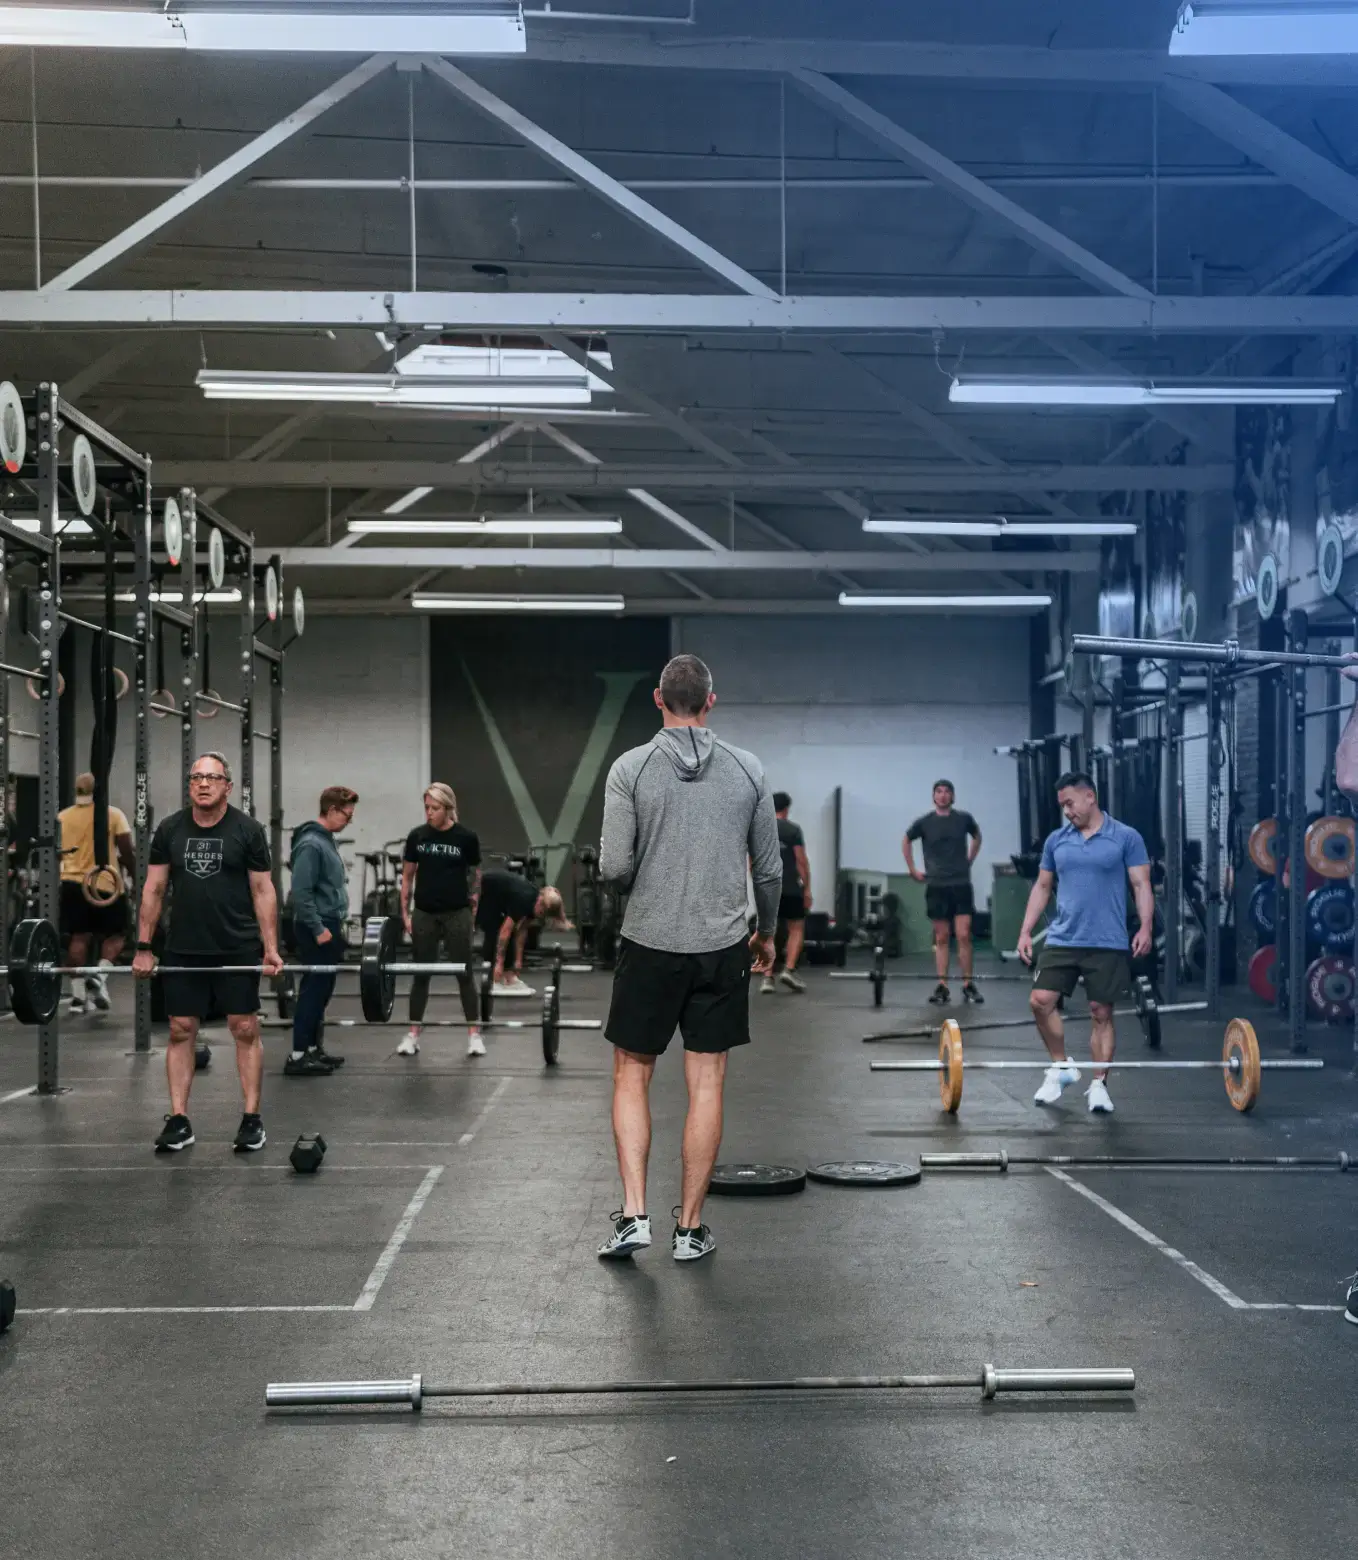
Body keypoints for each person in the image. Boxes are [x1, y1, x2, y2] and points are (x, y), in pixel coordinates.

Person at [596, 653, 781, 1265]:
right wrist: (768, 933)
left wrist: (641, 886)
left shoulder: (630, 767)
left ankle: (632, 1217)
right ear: (711, 700)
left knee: (632, 1075)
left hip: (648, 943)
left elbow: (615, 868)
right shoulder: (748, 769)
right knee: (706, 1084)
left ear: (657, 699)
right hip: (723, 946)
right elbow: (771, 871)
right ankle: (691, 1229)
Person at [134, 751, 283, 1154]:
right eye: (196, 777)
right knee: (181, 1028)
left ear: (227, 786)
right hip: (184, 946)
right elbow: (153, 889)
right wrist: (144, 947)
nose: (203, 784)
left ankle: (252, 1118)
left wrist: (270, 948)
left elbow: (262, 890)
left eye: (212, 778)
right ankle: (179, 1120)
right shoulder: (169, 830)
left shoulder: (248, 830)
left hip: (236, 944)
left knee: (244, 1028)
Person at [1016, 771, 1153, 1116]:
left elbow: (1140, 885)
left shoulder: (1126, 837)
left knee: (1101, 1012)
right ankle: (1061, 1068)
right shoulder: (1056, 841)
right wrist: (1025, 931)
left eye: (1070, 803)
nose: (1066, 811)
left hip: (1107, 939)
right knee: (1040, 1001)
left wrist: (1146, 927)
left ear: (1090, 797)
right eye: (1062, 805)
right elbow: (1043, 887)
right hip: (1064, 937)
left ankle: (1099, 1085)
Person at [398, 782, 484, 1058]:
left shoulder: (466, 838)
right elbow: (408, 877)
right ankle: (413, 1035)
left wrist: (473, 912)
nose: (429, 813)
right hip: (424, 913)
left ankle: (474, 1035)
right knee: (421, 975)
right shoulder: (417, 836)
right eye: (426, 808)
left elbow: (476, 877)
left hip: (456, 913)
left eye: (434, 808)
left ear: (448, 808)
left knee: (464, 974)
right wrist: (405, 913)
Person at [286, 785, 358, 1077]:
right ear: (331, 810)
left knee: (323, 990)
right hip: (316, 926)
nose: (349, 821)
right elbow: (301, 893)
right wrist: (317, 929)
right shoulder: (311, 844)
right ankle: (298, 1055)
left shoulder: (326, 841)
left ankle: (314, 1049)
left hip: (329, 923)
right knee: (313, 991)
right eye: (347, 816)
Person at [58, 771, 136, 1014]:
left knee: (79, 937)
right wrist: (136, 876)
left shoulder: (62, 817)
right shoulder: (112, 815)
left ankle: (79, 997)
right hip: (105, 884)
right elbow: (126, 850)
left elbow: (58, 852)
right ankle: (99, 977)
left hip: (71, 884)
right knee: (117, 935)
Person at [904, 780, 984, 1006]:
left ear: (952, 796)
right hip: (937, 885)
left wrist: (970, 859)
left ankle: (968, 984)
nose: (943, 795)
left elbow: (977, 836)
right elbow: (906, 839)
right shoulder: (924, 822)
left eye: (947, 792)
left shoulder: (963, 819)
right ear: (933, 796)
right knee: (941, 937)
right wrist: (912, 869)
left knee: (964, 934)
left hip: (960, 884)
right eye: (938, 792)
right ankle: (943, 986)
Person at [762, 791, 810, 995]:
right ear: (787, 808)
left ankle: (767, 978)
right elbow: (801, 860)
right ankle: (788, 970)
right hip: (790, 887)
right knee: (796, 928)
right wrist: (807, 888)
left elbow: (752, 860)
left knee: (768, 933)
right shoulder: (793, 829)